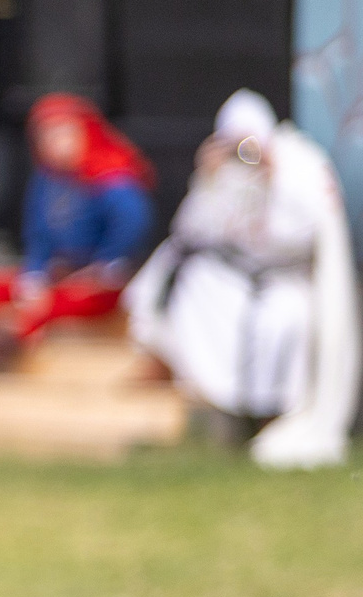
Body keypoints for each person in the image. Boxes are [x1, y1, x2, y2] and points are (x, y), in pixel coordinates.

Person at [127, 90, 358, 468]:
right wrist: (209, 179)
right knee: (177, 287)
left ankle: (274, 414)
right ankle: (187, 385)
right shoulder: (221, 172)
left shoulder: (298, 166)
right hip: (229, 280)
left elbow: (304, 235)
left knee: (287, 321)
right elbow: (193, 230)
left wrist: (273, 179)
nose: (243, 152)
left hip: (283, 278)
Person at [0, 93, 155, 377]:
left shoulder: (112, 176)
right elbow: (39, 235)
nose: (54, 142)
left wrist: (103, 267)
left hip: (101, 279)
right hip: (60, 273)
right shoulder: (47, 181)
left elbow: (131, 229)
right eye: (47, 135)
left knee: (48, 304)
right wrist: (36, 273)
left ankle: (1, 353)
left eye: (64, 132)